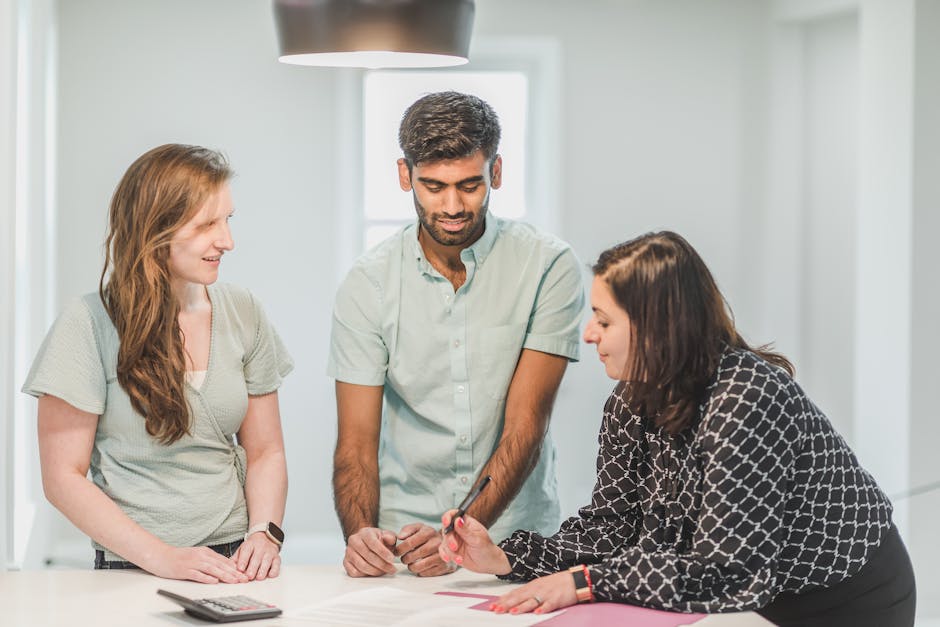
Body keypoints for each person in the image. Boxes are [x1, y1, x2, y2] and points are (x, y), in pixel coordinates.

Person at [439, 231, 916, 626]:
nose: (588, 334)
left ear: (654, 328)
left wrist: (585, 582)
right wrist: (506, 558)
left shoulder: (745, 399)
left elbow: (726, 571)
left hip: (846, 600)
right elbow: (613, 526)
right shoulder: (630, 397)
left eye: (604, 320)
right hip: (758, 597)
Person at [328, 91, 584, 578]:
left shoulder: (548, 266)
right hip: (405, 546)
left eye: (470, 185)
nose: (452, 206)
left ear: (497, 172)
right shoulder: (369, 282)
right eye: (432, 186)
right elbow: (356, 443)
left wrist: (461, 537)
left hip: (515, 540)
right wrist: (361, 534)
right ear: (405, 176)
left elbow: (526, 424)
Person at [22, 144, 293, 583]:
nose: (227, 241)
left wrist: (265, 534)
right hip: (129, 566)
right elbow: (62, 478)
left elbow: (266, 451)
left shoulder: (245, 311)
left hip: (235, 559)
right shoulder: (87, 324)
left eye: (227, 220)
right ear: (155, 229)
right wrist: (164, 558)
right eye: (207, 224)